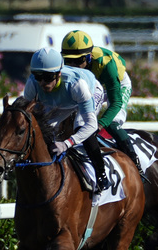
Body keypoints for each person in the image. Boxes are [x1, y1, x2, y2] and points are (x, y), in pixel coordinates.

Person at [22, 48, 110, 191]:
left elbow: (92, 125)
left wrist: (67, 143)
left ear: (59, 73)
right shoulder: (32, 84)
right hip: (62, 101)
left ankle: (101, 174)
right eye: (38, 76)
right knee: (43, 127)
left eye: (48, 77)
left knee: (80, 126)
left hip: (90, 91)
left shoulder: (77, 85)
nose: (43, 82)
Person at [60, 30, 140, 168]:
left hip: (116, 84)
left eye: (79, 61)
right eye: (68, 61)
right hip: (94, 85)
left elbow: (116, 103)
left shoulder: (107, 65)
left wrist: (101, 124)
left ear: (89, 57)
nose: (74, 66)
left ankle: (135, 161)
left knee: (111, 123)